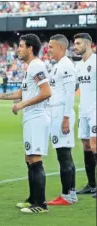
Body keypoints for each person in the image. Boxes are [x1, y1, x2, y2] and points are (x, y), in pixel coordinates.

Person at [0, 34, 52, 214]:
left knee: (35, 159)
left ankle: (41, 205)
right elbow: (22, 92)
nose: (17, 49)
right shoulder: (30, 67)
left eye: (20, 46)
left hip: (37, 117)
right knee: (29, 159)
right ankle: (33, 198)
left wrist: (22, 104)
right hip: (30, 117)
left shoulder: (37, 66)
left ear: (30, 48)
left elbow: (46, 92)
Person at [46, 34, 78, 206]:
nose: (48, 50)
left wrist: (65, 118)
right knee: (66, 155)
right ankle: (71, 193)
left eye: (51, 47)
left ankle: (66, 195)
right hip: (57, 112)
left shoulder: (65, 66)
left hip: (61, 114)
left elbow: (69, 93)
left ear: (61, 48)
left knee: (63, 155)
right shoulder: (58, 66)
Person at [73, 33, 97, 198]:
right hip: (83, 109)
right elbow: (75, 87)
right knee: (86, 144)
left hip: (95, 109)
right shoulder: (78, 65)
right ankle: (91, 184)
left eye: (78, 43)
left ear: (88, 45)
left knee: (95, 145)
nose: (75, 46)